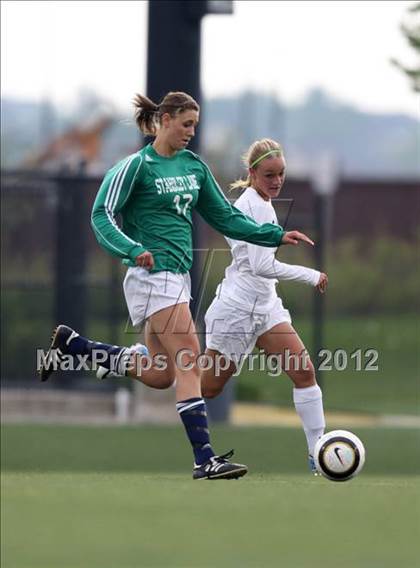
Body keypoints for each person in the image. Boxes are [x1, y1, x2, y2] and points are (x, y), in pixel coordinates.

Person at [39, 92, 314, 480]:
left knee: (161, 374)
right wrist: (132, 249)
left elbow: (225, 217)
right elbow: (101, 215)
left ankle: (75, 346)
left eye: (195, 126)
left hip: (177, 278)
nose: (191, 132)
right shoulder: (136, 167)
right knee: (189, 356)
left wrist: (274, 235)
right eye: (186, 124)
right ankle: (205, 458)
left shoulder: (193, 167)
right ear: (164, 120)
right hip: (151, 275)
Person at [200, 138, 328, 474]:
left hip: (266, 306)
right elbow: (260, 266)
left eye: (281, 174)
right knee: (206, 388)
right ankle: (141, 361)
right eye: (269, 174)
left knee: (304, 373)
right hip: (238, 308)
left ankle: (318, 452)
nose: (276, 181)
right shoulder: (254, 206)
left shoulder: (265, 203)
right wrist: (310, 275)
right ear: (252, 173)